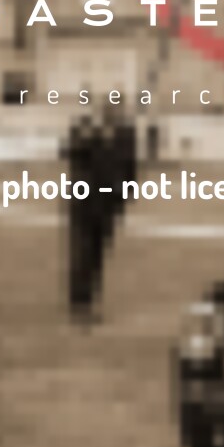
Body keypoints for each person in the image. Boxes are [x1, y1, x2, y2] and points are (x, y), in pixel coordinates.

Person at [65, 103, 137, 321]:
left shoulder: (126, 135)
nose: (114, 114)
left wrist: (125, 197)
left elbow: (130, 169)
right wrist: (90, 135)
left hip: (108, 205)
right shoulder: (85, 130)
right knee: (83, 253)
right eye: (110, 111)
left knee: (98, 255)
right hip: (84, 203)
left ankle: (90, 299)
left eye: (117, 111)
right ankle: (80, 303)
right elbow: (69, 152)